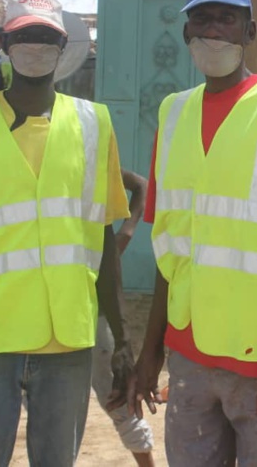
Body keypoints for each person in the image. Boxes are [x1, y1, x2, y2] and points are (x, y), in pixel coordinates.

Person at [0, 0, 134, 466]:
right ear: (3, 44)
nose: (35, 47)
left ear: (63, 49)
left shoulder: (94, 124)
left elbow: (101, 239)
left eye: (45, 37)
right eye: (25, 37)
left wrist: (121, 340)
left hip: (68, 338)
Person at [133, 0, 257, 466]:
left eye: (226, 18)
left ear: (249, 33)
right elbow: (169, 247)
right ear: (187, 33)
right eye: (202, 18)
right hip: (190, 352)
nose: (213, 30)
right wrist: (151, 348)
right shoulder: (172, 114)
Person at [91, 168, 156, 467]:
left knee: (117, 397)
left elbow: (140, 185)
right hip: (45, 309)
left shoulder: (85, 153)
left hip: (94, 307)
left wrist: (126, 231)